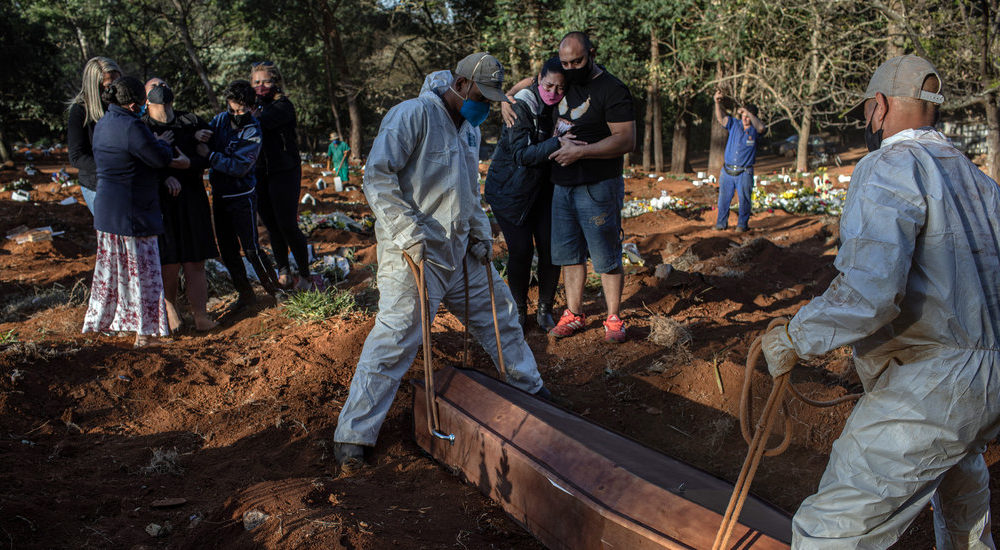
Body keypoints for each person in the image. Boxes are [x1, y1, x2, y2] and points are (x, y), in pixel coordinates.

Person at [762, 55, 1000, 548]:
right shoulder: (980, 182)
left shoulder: (889, 165)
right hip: (989, 377)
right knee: (964, 509)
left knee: (831, 533)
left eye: (868, 111)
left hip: (931, 383)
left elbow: (870, 293)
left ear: (882, 105)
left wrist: (794, 336)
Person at [332, 53, 551, 474]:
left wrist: (480, 232)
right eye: (481, 96)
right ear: (461, 84)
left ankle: (532, 392)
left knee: (502, 314)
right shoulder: (413, 115)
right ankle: (353, 435)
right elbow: (377, 177)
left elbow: (468, 190)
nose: (485, 107)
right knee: (396, 337)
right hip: (414, 251)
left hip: (459, 250)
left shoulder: (469, 130)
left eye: (491, 99)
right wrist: (409, 233)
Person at [82, 76, 188, 347]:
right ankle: (146, 333)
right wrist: (162, 142)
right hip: (134, 213)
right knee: (143, 275)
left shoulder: (103, 123)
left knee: (114, 275)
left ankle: (110, 325)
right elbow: (158, 158)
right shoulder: (132, 126)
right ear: (133, 104)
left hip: (107, 211)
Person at [544, 31, 636, 344]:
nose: (571, 68)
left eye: (578, 61)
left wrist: (581, 151)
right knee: (569, 255)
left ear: (591, 53)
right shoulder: (564, 78)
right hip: (562, 185)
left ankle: (613, 317)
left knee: (605, 255)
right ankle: (574, 313)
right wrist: (508, 101)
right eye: (566, 62)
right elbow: (536, 81)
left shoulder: (612, 89)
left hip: (597, 186)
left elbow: (625, 138)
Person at [484, 57, 567, 331]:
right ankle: (519, 310)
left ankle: (545, 309)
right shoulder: (521, 105)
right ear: (539, 80)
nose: (553, 92)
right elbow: (521, 155)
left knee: (549, 251)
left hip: (544, 190)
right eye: (548, 85)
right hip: (511, 190)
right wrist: (558, 143)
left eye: (559, 88)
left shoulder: (566, 104)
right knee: (521, 250)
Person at [142, 79, 219, 332]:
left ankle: (200, 315)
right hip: (161, 200)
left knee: (195, 260)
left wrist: (191, 163)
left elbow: (210, 153)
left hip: (192, 196)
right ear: (147, 102)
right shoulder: (142, 126)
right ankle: (170, 310)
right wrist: (164, 177)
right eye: (158, 105)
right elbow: (137, 162)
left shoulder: (190, 121)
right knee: (169, 261)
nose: (163, 109)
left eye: (167, 104)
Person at [198, 80, 280, 310]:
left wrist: (211, 156)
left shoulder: (253, 130)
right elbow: (207, 135)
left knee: (251, 248)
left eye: (241, 111)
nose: (236, 114)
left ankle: (276, 291)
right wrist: (201, 134)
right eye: (232, 109)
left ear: (252, 108)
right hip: (220, 195)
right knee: (227, 249)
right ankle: (245, 295)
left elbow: (239, 166)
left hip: (242, 196)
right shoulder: (220, 120)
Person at [250, 62, 313, 290]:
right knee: (271, 225)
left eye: (266, 81)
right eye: (256, 82)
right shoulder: (254, 107)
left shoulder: (282, 106)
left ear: (275, 81)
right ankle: (283, 270)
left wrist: (251, 115)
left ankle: (305, 275)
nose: (261, 86)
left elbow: (262, 122)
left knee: (287, 224)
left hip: (284, 171)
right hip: (260, 172)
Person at [67, 56, 121, 214]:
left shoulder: (123, 106)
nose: (114, 89)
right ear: (95, 85)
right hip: (97, 184)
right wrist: (112, 167)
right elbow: (76, 156)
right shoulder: (80, 111)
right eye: (109, 85)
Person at [712, 89, 764, 232]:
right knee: (723, 200)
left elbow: (761, 128)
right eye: (743, 115)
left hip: (744, 172)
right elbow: (721, 119)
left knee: (744, 200)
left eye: (748, 116)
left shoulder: (755, 130)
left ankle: (742, 225)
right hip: (727, 171)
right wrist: (717, 102)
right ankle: (721, 224)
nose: (745, 118)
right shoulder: (734, 124)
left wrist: (750, 114)